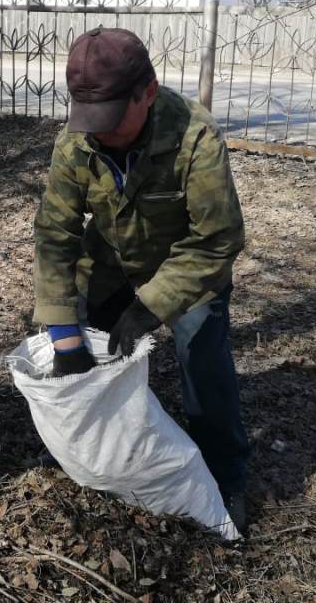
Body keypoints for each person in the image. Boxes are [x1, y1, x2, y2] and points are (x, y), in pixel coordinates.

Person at [32, 27, 250, 532]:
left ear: (146, 92)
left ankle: (225, 472)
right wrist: (63, 330)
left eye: (110, 118)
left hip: (186, 267)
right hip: (109, 261)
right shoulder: (77, 141)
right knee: (82, 352)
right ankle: (93, 448)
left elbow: (218, 238)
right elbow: (55, 233)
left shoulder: (195, 135)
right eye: (90, 119)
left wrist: (153, 304)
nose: (99, 133)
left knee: (203, 358)